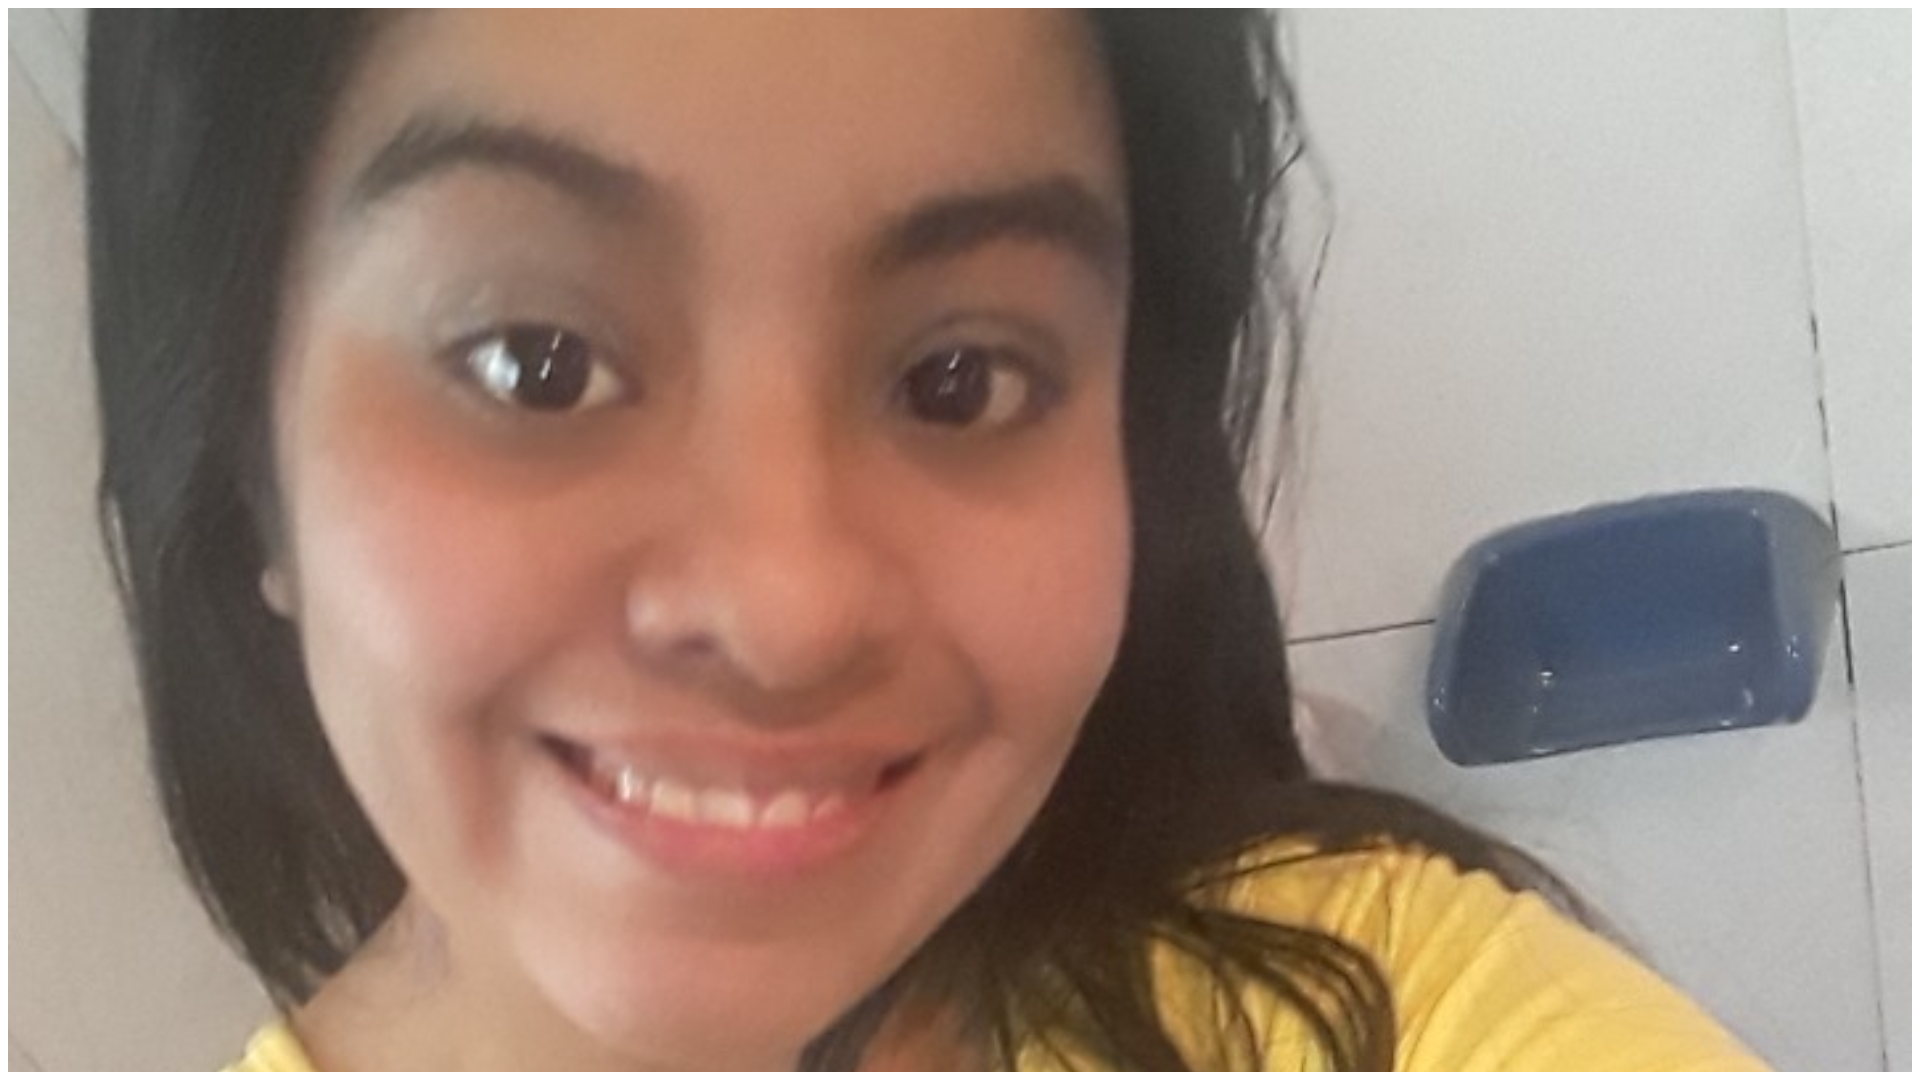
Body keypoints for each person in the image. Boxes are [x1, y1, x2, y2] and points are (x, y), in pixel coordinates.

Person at [85, 11, 1764, 1071]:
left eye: (959, 380)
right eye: (539, 362)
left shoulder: (1386, 1013)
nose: (787, 606)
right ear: (248, 462)